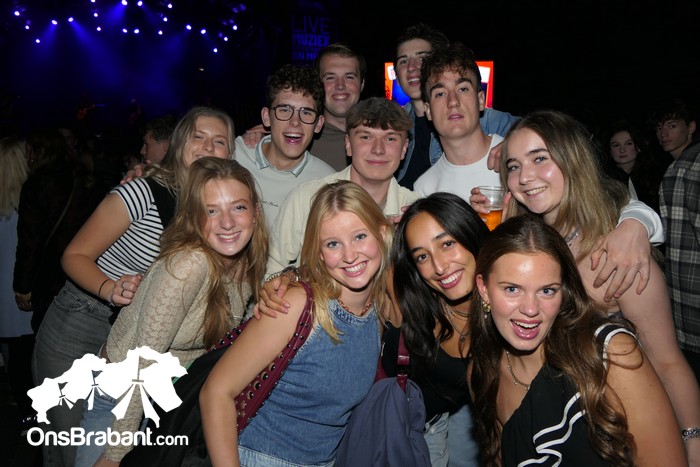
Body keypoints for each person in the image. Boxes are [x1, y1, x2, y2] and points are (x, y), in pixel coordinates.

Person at [31, 106, 236, 467]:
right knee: (70, 446)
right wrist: (110, 289)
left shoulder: (216, 205)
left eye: (219, 141)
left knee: (112, 449)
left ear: (230, 154)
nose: (208, 146)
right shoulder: (142, 191)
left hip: (138, 338)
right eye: (198, 137)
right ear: (179, 144)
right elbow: (74, 255)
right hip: (82, 323)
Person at [498, 109, 700, 464]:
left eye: (540, 158)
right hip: (550, 427)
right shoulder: (529, 247)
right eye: (513, 166)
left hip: (612, 437)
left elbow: (667, 362)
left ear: (572, 159)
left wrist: (693, 442)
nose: (524, 177)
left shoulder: (618, 255)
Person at [75, 157, 268, 466]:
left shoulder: (243, 262)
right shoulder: (189, 265)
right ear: (194, 217)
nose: (227, 222)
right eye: (211, 210)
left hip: (164, 401)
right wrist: (114, 453)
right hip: (120, 397)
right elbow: (142, 361)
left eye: (238, 207)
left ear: (256, 212)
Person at [468, 214, 686, 466]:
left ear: (564, 291)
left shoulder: (609, 356)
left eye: (547, 290)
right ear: (484, 289)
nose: (530, 309)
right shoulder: (483, 374)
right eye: (512, 289)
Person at [200, 180, 392, 466]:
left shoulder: (379, 304)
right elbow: (216, 392)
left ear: (382, 233)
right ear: (319, 253)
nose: (350, 255)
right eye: (333, 244)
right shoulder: (295, 305)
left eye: (360, 236)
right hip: (261, 458)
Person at [387, 192, 490, 466]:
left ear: (471, 234)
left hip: (430, 432)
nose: (440, 267)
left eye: (447, 243)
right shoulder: (404, 294)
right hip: (372, 422)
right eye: (422, 256)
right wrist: (290, 277)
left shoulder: (506, 317)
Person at [266, 96, 420, 276]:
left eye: (390, 138)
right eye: (365, 137)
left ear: (404, 149)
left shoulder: (415, 212)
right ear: (348, 144)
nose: (378, 149)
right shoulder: (307, 199)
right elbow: (272, 272)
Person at [392, 24, 519, 189]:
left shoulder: (485, 119)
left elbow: (541, 132)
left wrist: (516, 145)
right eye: (403, 61)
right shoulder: (397, 125)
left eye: (422, 58)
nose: (411, 67)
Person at [14, 127, 108, 332]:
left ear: (36, 151)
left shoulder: (37, 184)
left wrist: (22, 286)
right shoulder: (88, 178)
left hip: (50, 277)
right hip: (86, 273)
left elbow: (30, 241)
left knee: (47, 336)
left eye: (28, 150)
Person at [234, 63, 335, 225]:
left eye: (306, 112)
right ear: (266, 117)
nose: (295, 122)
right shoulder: (234, 156)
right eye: (285, 110)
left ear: (318, 124)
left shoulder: (327, 183)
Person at [243, 43, 366, 171]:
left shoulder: (378, 136)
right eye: (330, 77)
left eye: (349, 77)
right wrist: (259, 139)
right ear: (317, 85)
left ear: (362, 84)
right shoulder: (291, 137)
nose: (340, 85)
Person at [413, 42, 504, 201]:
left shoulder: (515, 159)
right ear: (428, 111)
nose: (453, 101)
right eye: (440, 94)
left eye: (463, 89)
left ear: (480, 100)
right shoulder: (425, 190)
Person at [659, 129, 700, 385]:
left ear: (691, 126)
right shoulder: (674, 169)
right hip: (680, 305)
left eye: (672, 125)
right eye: (659, 127)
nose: (664, 133)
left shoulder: (684, 166)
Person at [0, 136, 34, 431]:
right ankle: (33, 416)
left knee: (16, 356)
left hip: (7, 292)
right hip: (24, 288)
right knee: (27, 356)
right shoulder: (32, 203)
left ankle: (27, 414)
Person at [600, 118, 671, 215]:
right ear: (610, 150)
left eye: (628, 144)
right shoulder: (603, 179)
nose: (622, 150)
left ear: (638, 146)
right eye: (616, 145)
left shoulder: (655, 176)